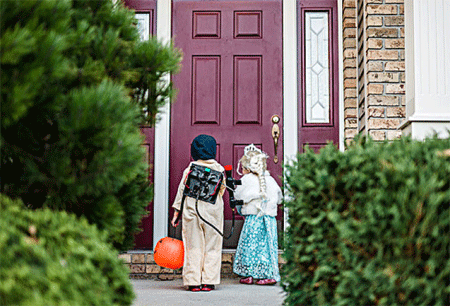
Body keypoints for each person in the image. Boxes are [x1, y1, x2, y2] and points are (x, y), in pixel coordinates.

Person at [171, 134, 226, 292]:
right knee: (212, 246)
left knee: (193, 246)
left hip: (192, 210)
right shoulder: (219, 169)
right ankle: (209, 281)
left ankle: (193, 281)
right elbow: (221, 190)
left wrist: (176, 213)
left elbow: (182, 191)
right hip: (213, 212)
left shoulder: (190, 169)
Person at [232, 144, 282, 285]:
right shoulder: (270, 181)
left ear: (248, 168)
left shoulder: (246, 180)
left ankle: (248, 273)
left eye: (243, 168)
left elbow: (238, 196)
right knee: (266, 248)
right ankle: (267, 274)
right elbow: (279, 198)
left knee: (250, 246)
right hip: (269, 220)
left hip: (254, 220)